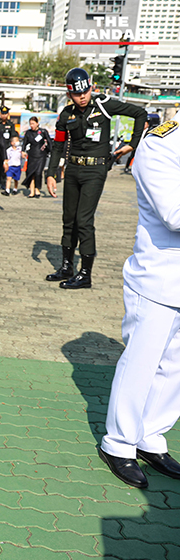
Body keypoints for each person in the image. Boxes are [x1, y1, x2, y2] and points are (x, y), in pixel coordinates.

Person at [97, 118, 180, 489]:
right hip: (159, 276)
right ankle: (119, 443)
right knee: (142, 364)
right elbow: (174, 214)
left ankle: (151, 436)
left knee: (175, 369)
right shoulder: (161, 144)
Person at [45, 68, 148, 289]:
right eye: (76, 93)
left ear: (91, 87)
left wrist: (132, 144)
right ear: (69, 93)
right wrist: (51, 173)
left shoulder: (103, 104)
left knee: (84, 220)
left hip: (95, 171)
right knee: (69, 220)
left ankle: (85, 274)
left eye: (86, 91)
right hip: (72, 170)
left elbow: (140, 113)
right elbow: (58, 145)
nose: (82, 97)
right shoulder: (66, 114)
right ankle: (66, 266)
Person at [21, 116, 50, 198]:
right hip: (32, 155)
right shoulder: (28, 133)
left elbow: (49, 142)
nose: (32, 125)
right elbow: (24, 143)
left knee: (38, 172)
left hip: (41, 155)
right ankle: (31, 191)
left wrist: (50, 150)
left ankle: (37, 189)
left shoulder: (43, 131)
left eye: (33, 123)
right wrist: (23, 151)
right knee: (31, 173)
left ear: (37, 123)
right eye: (30, 124)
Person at [0, 105, 17, 186]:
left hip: (6, 147)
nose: (4, 115)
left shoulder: (10, 124)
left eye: (5, 114)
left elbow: (13, 135)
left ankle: (3, 180)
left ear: (8, 114)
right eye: (2, 114)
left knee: (5, 164)